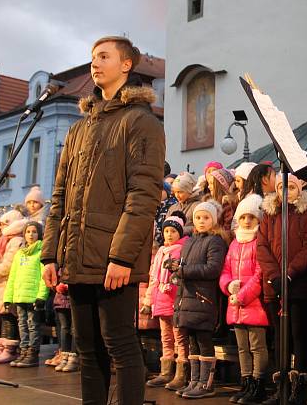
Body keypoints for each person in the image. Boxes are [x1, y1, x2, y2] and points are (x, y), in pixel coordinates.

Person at [41, 35, 165, 405]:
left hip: (113, 255)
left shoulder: (141, 122)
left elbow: (143, 194)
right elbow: (60, 196)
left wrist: (122, 256)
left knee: (121, 347)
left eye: (103, 56)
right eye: (92, 57)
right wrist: (51, 254)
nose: (94, 63)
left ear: (126, 65)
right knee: (87, 349)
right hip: (77, 254)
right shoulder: (79, 129)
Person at [258, 173, 307, 405]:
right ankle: (281, 387)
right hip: (274, 285)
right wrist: (274, 276)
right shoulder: (269, 215)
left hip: (297, 284)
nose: (286, 192)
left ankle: (299, 388)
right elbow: (261, 246)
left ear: (299, 189)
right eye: (282, 187)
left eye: (291, 187)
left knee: (298, 335)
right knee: (279, 337)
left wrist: (289, 274)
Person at [171, 202, 228, 399]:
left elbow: (213, 268)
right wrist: (175, 267)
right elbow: (183, 265)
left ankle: (206, 384)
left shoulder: (216, 241)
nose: (201, 221)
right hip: (187, 299)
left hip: (204, 299)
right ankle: (194, 380)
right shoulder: (190, 241)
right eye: (198, 218)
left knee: (204, 341)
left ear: (213, 219)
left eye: (206, 218)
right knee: (192, 341)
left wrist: (184, 271)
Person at [220, 194, 269, 404]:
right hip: (236, 305)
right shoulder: (234, 244)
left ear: (258, 219)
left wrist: (241, 296)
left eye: (251, 217)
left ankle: (259, 384)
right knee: (242, 347)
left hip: (253, 304)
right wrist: (228, 285)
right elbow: (225, 270)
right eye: (243, 217)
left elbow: (260, 274)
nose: (247, 221)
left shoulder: (259, 243)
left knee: (257, 347)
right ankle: (246, 382)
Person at [143, 214, 190, 390]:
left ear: (179, 233)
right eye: (166, 231)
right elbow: (154, 278)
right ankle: (165, 372)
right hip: (161, 298)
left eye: (172, 231)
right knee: (166, 337)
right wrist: (148, 300)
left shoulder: (182, 250)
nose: (169, 234)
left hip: (175, 297)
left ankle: (181, 373)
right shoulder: (161, 252)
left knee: (180, 337)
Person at [2, 220, 48, 368]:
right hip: (20, 296)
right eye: (28, 232)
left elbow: (44, 276)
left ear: (39, 234)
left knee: (33, 325)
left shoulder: (41, 252)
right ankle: (23, 351)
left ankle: (32, 353)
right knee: (22, 325)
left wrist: (42, 296)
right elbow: (13, 277)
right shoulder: (19, 254)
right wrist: (8, 298)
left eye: (34, 232)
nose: (31, 234)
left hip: (33, 297)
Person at [0, 211, 25, 364]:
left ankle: (10, 348)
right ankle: (2, 346)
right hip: (2, 283)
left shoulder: (16, 240)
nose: (1, 226)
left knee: (9, 316)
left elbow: (9, 264)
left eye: (4, 223)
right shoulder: (6, 239)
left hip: (9, 282)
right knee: (4, 316)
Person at [48, 281, 79, 372]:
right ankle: (64, 356)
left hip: (75, 297)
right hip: (61, 300)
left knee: (74, 328)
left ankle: (73, 358)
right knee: (64, 328)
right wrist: (56, 286)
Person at [206, 167, 238, 234]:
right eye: (208, 183)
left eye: (211, 183)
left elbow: (227, 229)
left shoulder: (228, 204)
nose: (208, 187)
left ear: (219, 185)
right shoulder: (212, 202)